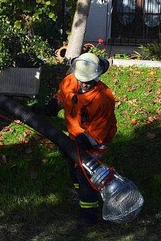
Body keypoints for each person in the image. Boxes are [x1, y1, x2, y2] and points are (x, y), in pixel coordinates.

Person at [45, 52, 117, 225]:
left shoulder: (103, 99)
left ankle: (89, 213)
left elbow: (99, 131)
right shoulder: (70, 80)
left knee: (85, 173)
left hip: (94, 143)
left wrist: (83, 141)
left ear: (97, 77)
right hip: (74, 136)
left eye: (88, 81)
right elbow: (63, 96)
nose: (84, 85)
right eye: (82, 80)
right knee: (73, 168)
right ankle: (81, 195)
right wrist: (52, 105)